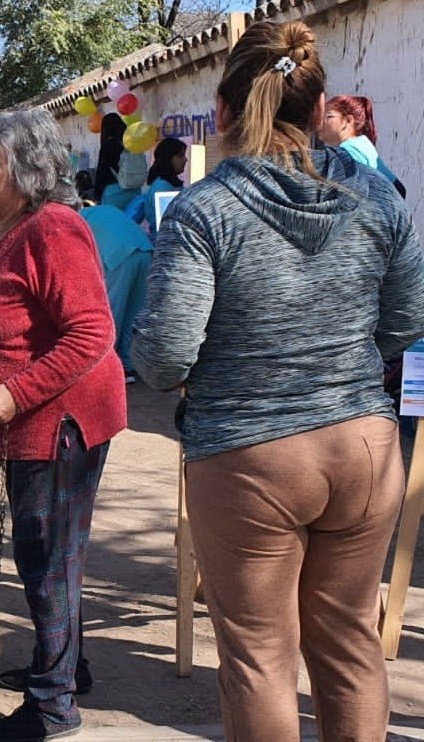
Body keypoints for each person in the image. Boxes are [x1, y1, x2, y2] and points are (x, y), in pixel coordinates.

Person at [130, 21, 424, 742]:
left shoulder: (204, 211)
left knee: (261, 657)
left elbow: (165, 356)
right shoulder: (382, 201)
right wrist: (342, 358)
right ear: (321, 105)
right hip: (362, 444)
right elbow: (408, 318)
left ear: (223, 113)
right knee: (351, 642)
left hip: (247, 452)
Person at [0, 109, 126, 742]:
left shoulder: (54, 227)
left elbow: (92, 333)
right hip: (32, 426)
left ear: (28, 171)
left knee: (48, 559)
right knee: (52, 558)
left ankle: (54, 707)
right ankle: (64, 668)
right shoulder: (12, 226)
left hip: (59, 425)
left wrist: (15, 393)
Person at [80, 204, 153, 383]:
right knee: (134, 316)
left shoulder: (75, 219)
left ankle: (105, 368)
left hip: (118, 258)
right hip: (145, 251)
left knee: (112, 315)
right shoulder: (101, 210)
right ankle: (127, 366)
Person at [318, 93, 406, 197]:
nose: (321, 122)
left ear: (348, 121)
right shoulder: (361, 145)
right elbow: (399, 188)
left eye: (328, 116)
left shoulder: (349, 150)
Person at [141, 137, 187, 240]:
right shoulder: (161, 187)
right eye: (180, 156)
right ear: (168, 158)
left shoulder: (172, 184)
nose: (185, 159)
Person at [92, 113, 139, 210]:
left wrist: (97, 195)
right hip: (134, 191)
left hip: (114, 192)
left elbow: (102, 171)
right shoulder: (130, 144)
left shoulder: (108, 145)